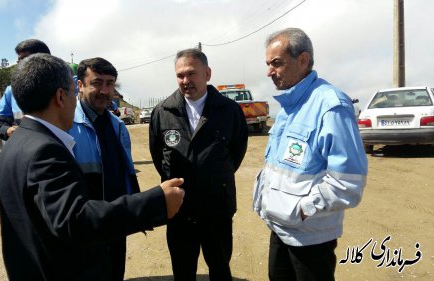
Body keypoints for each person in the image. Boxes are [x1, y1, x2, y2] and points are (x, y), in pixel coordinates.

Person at [0, 53, 185, 280]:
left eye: (110, 84)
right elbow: (74, 220)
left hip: (102, 233)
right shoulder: (45, 149)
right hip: (76, 254)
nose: (105, 91)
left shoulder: (18, 140)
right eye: (76, 92)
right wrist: (155, 201)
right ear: (61, 95)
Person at [252, 28, 368, 281]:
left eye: (276, 63)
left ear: (303, 60)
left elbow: (347, 181)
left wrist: (302, 209)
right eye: (268, 64)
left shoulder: (331, 106)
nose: (269, 72)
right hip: (281, 229)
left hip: (311, 238)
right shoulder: (290, 105)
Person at [149, 48, 248, 281]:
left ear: (207, 74)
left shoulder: (229, 111)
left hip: (217, 208)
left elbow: (237, 152)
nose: (186, 81)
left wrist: (212, 175)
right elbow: (158, 156)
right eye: (180, 75)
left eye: (192, 74)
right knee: (183, 271)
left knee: (220, 268)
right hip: (179, 210)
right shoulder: (163, 112)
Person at [67, 57, 136, 281]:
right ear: (80, 84)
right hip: (82, 228)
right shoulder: (65, 126)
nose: (104, 91)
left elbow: (126, 172)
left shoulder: (118, 126)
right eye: (97, 83)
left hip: (115, 223)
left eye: (110, 83)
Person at [0, 39, 51, 140]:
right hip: (26, 149)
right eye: (19, 60)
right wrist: (9, 131)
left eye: (25, 59)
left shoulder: (65, 87)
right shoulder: (12, 91)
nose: (20, 64)